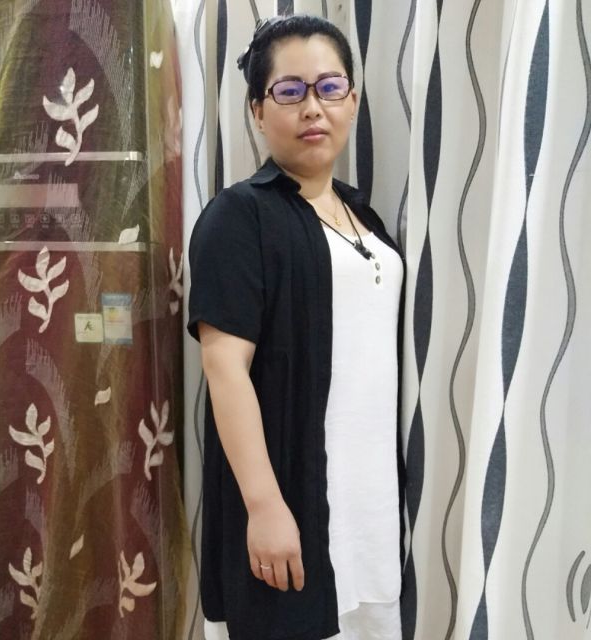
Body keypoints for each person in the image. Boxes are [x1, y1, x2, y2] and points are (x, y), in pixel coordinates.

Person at [188, 14, 404, 640]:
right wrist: (265, 507)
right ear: (258, 111)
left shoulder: (364, 217)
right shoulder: (239, 215)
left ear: (352, 100)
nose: (313, 107)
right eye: (289, 91)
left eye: (329, 87)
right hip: (292, 504)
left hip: (368, 513)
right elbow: (224, 367)